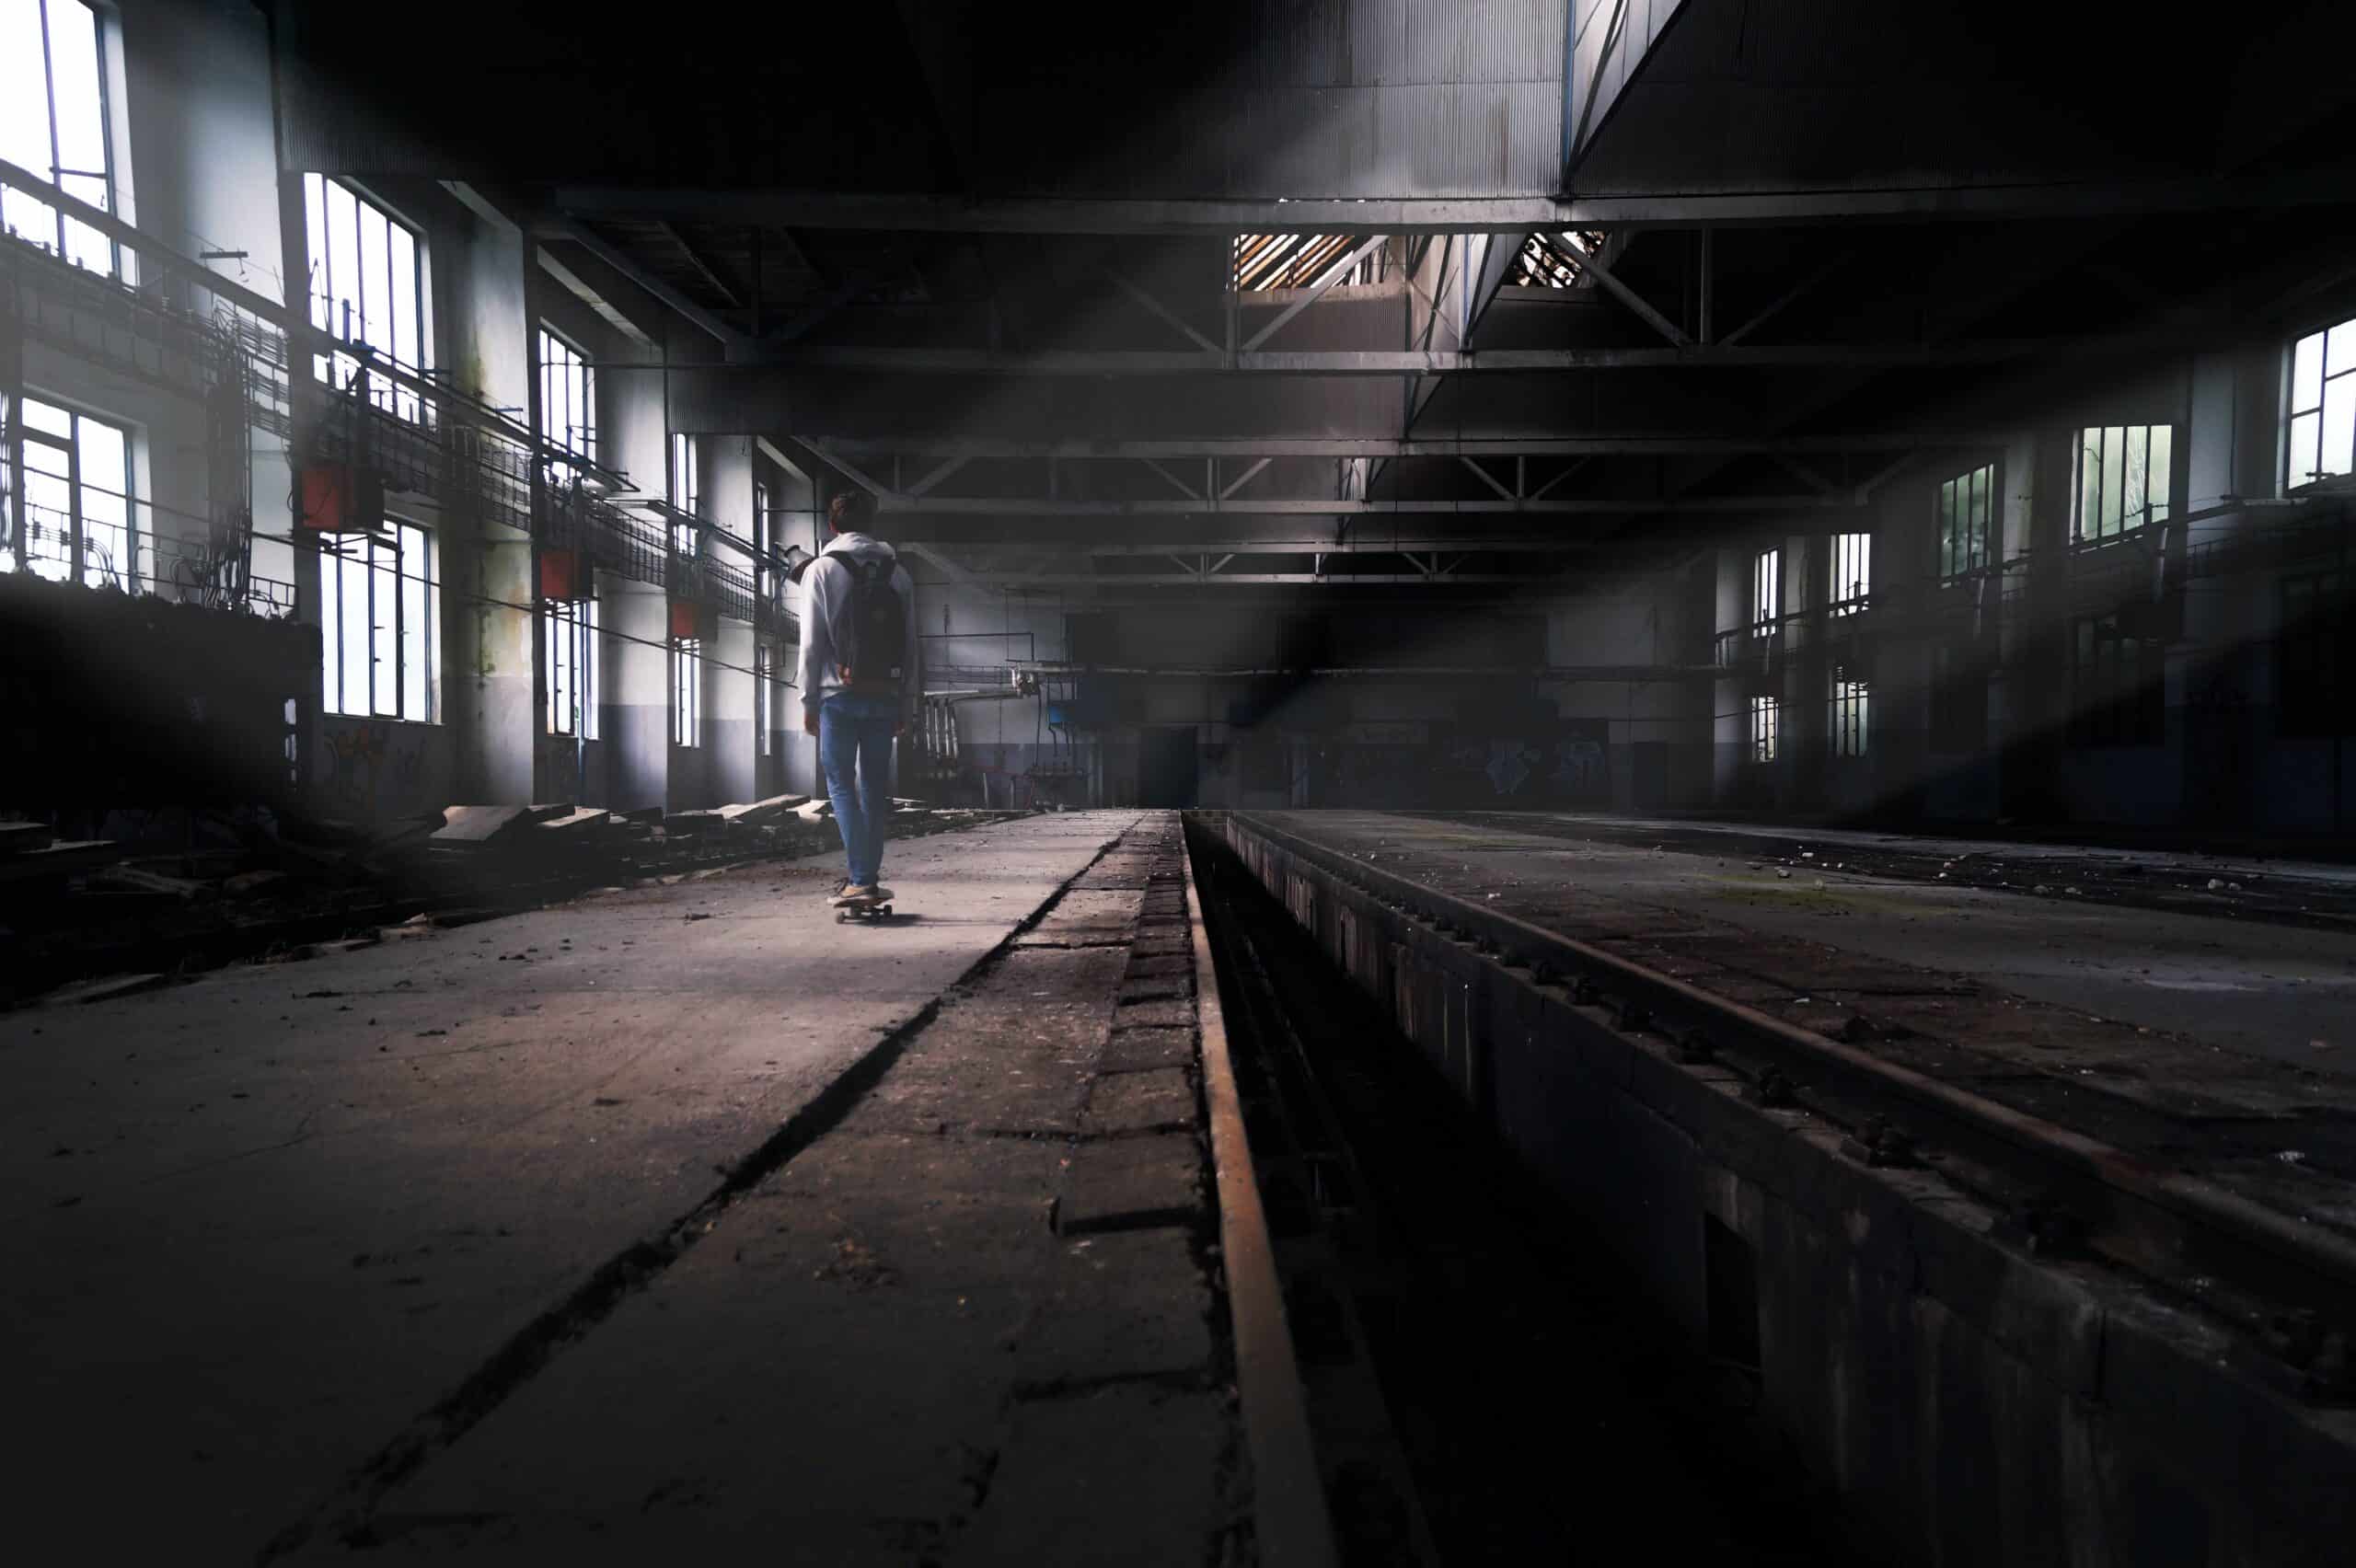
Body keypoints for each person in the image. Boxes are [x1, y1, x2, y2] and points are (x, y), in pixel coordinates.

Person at [796, 490, 918, 906]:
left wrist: (808, 700)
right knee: (874, 787)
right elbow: (910, 645)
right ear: (872, 524)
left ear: (832, 526)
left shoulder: (822, 569)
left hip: (838, 696)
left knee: (841, 786)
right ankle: (867, 876)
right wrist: (906, 702)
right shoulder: (898, 574)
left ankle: (861, 878)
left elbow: (811, 644)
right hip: (885, 695)